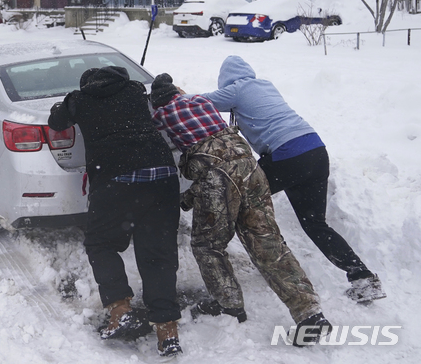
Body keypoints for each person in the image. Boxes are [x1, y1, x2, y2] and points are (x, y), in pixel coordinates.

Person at [150, 73, 331, 345]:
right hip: (252, 170)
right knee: (268, 241)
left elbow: (211, 169)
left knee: (207, 245)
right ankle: (311, 314)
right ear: (178, 91)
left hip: (218, 177)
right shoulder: (201, 102)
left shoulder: (162, 114)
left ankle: (229, 305)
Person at [201, 55, 385, 304]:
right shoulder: (265, 85)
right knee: (315, 224)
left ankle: (277, 260)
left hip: (286, 154)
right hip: (315, 151)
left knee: (242, 198)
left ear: (226, 80)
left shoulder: (237, 89)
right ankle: (362, 276)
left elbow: (201, 103)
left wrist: (174, 94)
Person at [48, 66, 182, 357]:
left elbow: (56, 122)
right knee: (158, 254)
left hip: (117, 178)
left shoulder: (79, 99)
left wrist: (63, 105)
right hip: (162, 175)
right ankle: (167, 330)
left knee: (101, 244)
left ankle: (120, 310)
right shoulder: (135, 91)